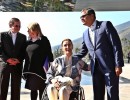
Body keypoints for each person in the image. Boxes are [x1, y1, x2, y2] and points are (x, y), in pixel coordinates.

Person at [75, 8, 124, 100]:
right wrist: (71, 57)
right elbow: (83, 51)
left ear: (92, 16)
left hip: (109, 67)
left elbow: (116, 45)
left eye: (83, 16)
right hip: (95, 68)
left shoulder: (105, 25)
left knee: (112, 94)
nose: (81, 18)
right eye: (80, 17)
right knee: (97, 94)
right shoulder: (85, 33)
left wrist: (118, 64)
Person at [22, 22, 54, 100]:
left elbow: (49, 54)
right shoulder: (27, 42)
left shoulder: (44, 40)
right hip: (30, 70)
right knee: (33, 90)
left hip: (41, 70)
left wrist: (52, 68)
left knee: (42, 90)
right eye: (28, 31)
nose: (28, 32)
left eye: (30, 30)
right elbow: (23, 55)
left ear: (36, 30)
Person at [0, 17, 27, 100]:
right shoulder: (2, 35)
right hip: (5, 65)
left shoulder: (23, 37)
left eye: (19, 26)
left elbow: (24, 51)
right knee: (2, 88)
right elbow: (0, 50)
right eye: (16, 26)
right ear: (10, 25)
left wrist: (18, 60)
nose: (18, 28)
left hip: (17, 65)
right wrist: (8, 59)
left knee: (16, 89)